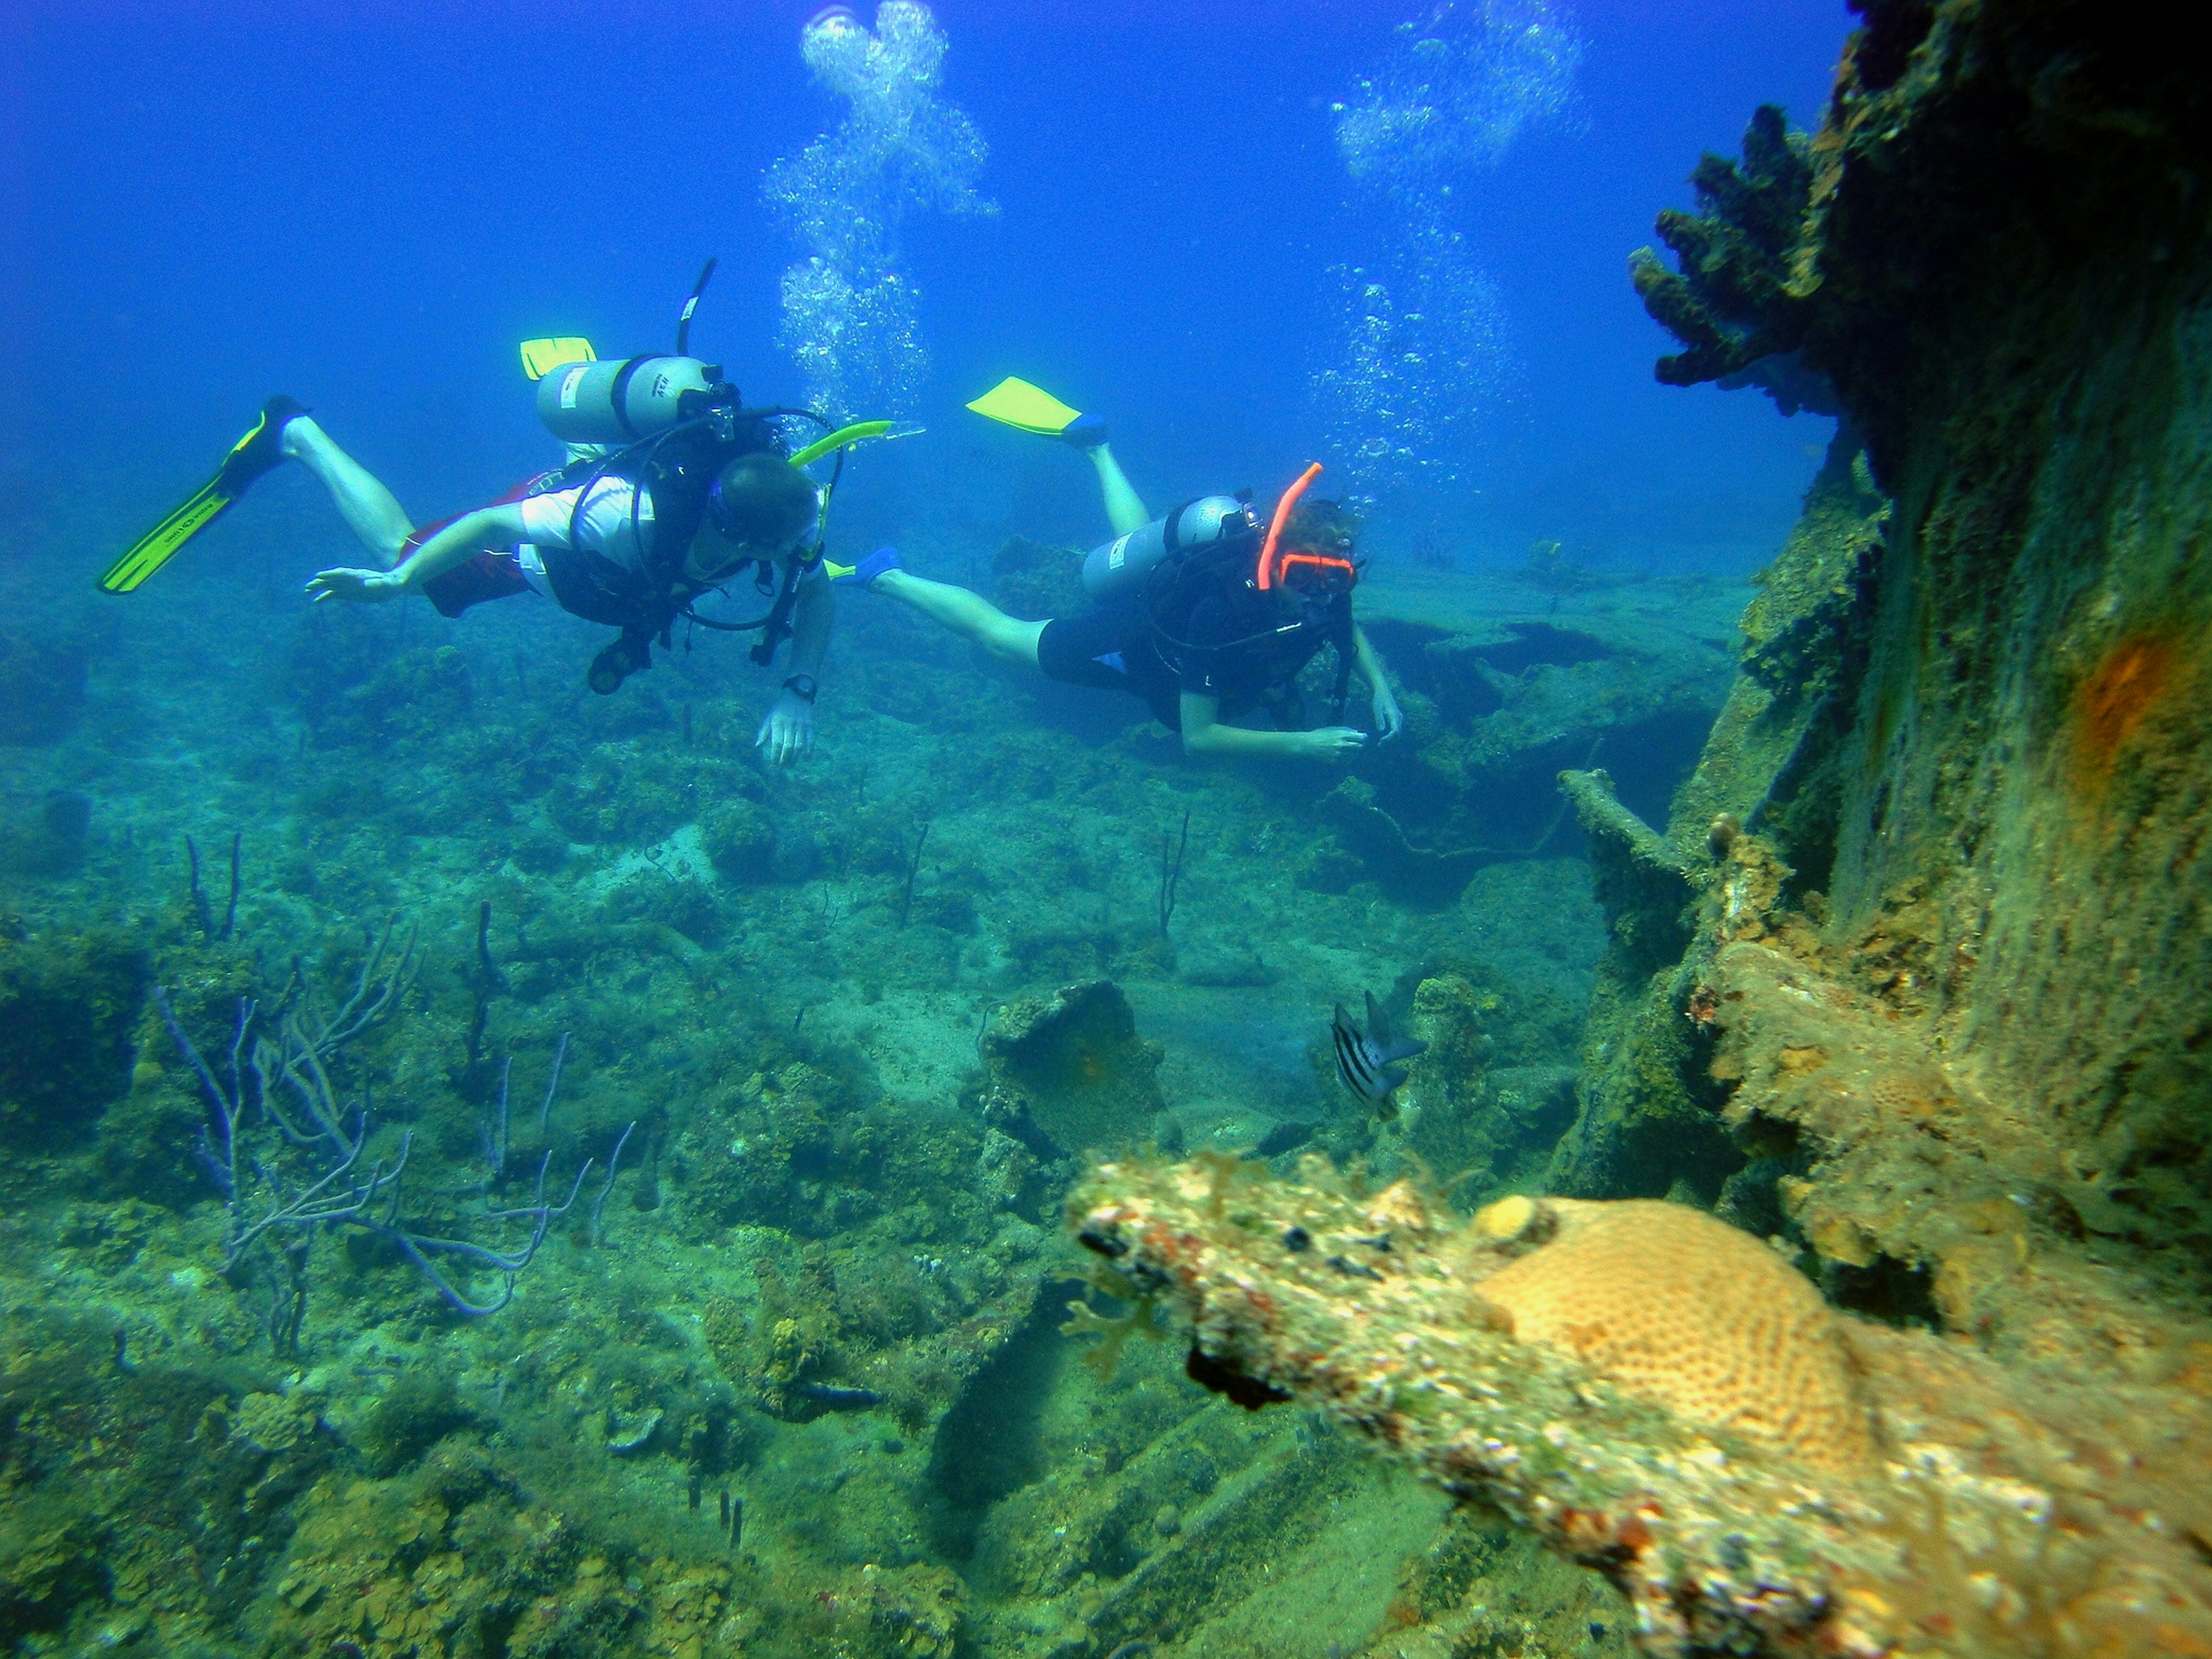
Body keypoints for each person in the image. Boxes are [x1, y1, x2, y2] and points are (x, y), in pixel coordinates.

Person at [834, 380, 1402, 759]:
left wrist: (1380, 687)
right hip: (1132, 645)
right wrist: (1304, 744)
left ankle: (1097, 448)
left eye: (1332, 581)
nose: (1316, 597)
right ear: (1277, 559)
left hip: (1164, 597)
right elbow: (1199, 738)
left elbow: (1340, 624)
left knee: (1132, 547)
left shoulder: (1321, 588)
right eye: (1304, 579)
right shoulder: (1220, 610)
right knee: (1001, 638)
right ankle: (885, 576)